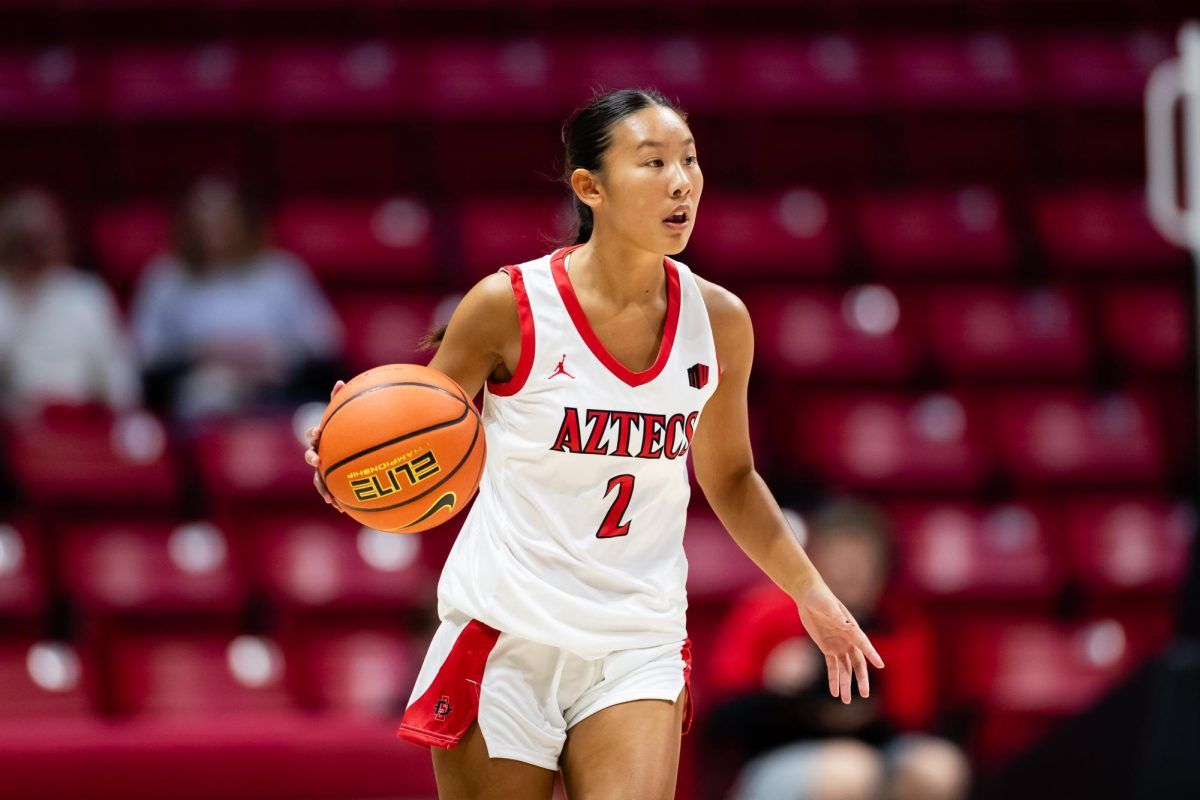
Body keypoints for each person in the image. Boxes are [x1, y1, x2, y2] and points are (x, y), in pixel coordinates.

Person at [303, 87, 885, 800]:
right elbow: (415, 430)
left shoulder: (720, 321)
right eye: (653, 163)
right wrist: (348, 459)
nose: (681, 181)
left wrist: (811, 592)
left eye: (690, 160)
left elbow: (730, 478)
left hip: (635, 640)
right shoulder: (507, 307)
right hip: (504, 632)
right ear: (590, 187)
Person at [704, 498, 970, 800]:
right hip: (776, 759)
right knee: (849, 772)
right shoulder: (765, 613)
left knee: (938, 767)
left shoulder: (900, 625)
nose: (850, 575)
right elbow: (719, 720)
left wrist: (872, 696)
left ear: (883, 569)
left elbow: (912, 721)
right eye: (840, 562)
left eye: (862, 563)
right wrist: (773, 687)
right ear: (812, 563)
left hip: (874, 753)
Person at [130, 175, 345, 421]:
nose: (214, 230)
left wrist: (272, 357)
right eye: (204, 220)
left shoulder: (282, 273)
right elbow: (145, 357)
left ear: (244, 221)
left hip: (280, 395)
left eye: (224, 219)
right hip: (196, 404)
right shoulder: (164, 279)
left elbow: (325, 344)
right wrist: (201, 354)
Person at [0, 187, 140, 417]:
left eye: (43, 238)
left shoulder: (86, 294)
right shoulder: (4, 295)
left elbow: (119, 376)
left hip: (82, 420)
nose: (35, 250)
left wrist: (120, 414)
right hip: (17, 425)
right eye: (26, 241)